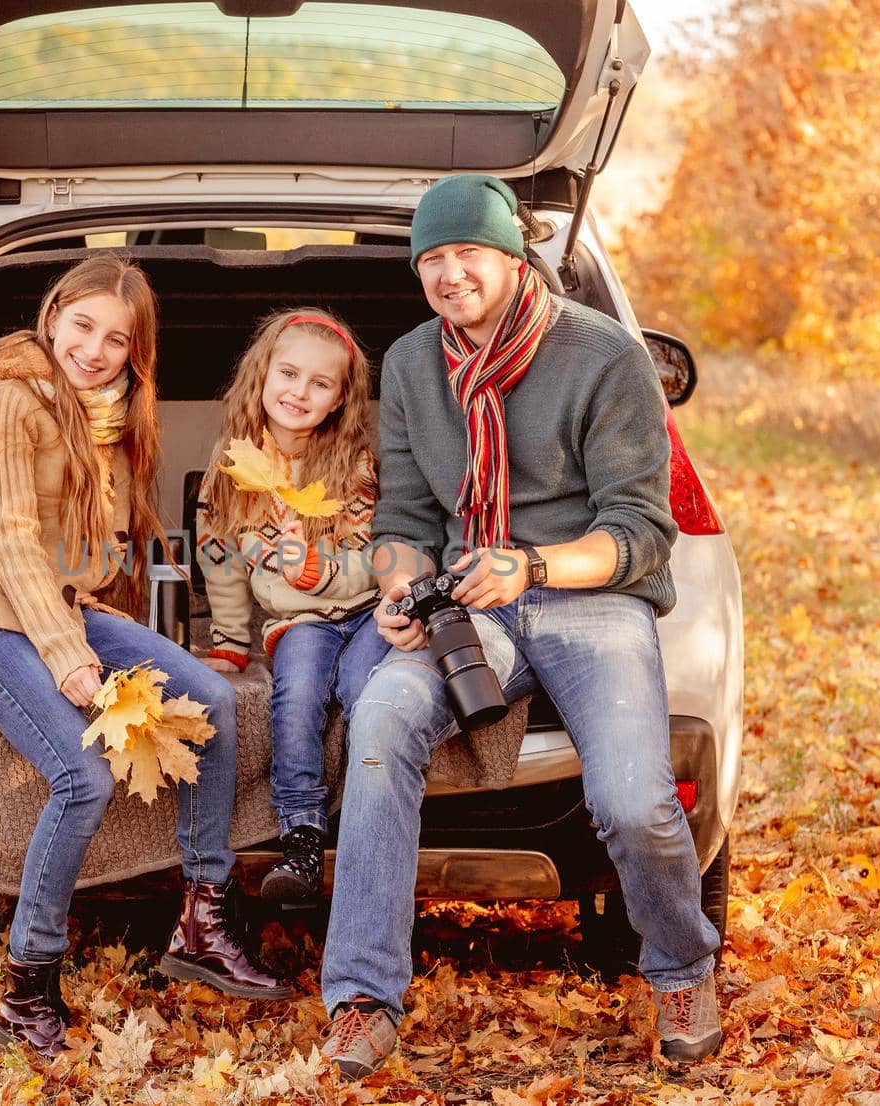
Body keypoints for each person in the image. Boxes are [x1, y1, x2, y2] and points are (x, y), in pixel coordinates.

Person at [318, 176, 724, 1078]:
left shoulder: (605, 355)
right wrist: (399, 585)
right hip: (469, 600)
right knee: (380, 724)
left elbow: (639, 534)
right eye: (432, 259)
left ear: (512, 256)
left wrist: (533, 566)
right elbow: (405, 522)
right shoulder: (417, 364)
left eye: (468, 253)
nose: (450, 273)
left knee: (630, 798)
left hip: (589, 599)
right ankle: (361, 998)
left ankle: (684, 968)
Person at [0, 256, 289, 1059]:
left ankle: (203, 916)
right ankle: (27, 986)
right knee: (80, 776)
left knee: (213, 703)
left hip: (62, 604)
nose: (94, 348)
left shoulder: (111, 418)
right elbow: (9, 540)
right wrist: (68, 659)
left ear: (134, 351)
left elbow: (93, 550)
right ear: (53, 316)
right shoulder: (6, 404)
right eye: (82, 325)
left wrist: (126, 638)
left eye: (116, 338)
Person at [194, 309, 385, 904]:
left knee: (369, 697)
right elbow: (219, 559)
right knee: (296, 698)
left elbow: (379, 555)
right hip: (299, 621)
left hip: (370, 610)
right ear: (262, 376)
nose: (300, 392)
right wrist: (230, 639)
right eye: (289, 373)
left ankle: (370, 826)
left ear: (340, 401)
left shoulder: (352, 467)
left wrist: (321, 570)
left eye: (320, 384)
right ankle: (301, 833)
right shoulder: (231, 471)